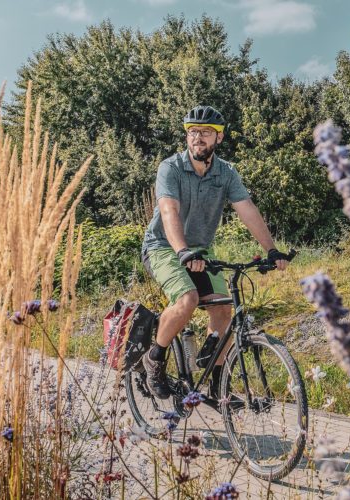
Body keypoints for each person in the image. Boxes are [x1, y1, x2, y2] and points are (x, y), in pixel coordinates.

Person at [140, 105, 290, 405]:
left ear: (218, 139)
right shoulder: (170, 168)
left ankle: (217, 387)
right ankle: (154, 359)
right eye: (193, 132)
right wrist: (181, 251)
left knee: (224, 309)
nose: (198, 138)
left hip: (200, 252)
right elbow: (169, 211)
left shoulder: (226, 173)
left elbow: (247, 210)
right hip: (163, 247)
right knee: (187, 299)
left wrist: (271, 250)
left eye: (206, 133)